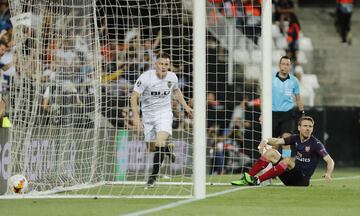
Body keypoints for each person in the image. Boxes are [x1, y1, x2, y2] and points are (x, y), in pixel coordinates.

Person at [131, 52, 192, 188]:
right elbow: (134, 97)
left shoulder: (172, 77)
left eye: (166, 64)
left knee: (159, 142)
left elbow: (176, 92)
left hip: (164, 114)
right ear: (155, 64)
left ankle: (153, 177)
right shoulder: (146, 77)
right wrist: (136, 116)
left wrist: (186, 106)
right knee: (152, 147)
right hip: (148, 115)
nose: (163, 67)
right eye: (161, 64)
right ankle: (167, 150)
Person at [231, 116, 335, 186]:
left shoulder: (316, 144)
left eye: (310, 126)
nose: (307, 129)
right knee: (271, 152)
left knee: (288, 160)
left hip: (302, 180)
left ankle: (258, 180)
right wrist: (265, 141)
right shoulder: (295, 138)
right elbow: (277, 141)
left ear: (312, 128)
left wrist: (328, 173)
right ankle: (247, 177)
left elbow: (330, 161)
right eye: (305, 126)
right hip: (289, 177)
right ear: (299, 128)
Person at [272, 56, 304, 158]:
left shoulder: (294, 81)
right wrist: (262, 114)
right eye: (283, 64)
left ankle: (285, 168)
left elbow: (298, 98)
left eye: (287, 64)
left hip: (287, 113)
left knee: (286, 140)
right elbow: (263, 96)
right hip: (273, 113)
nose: (285, 66)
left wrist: (302, 113)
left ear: (290, 66)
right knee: (274, 143)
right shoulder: (271, 78)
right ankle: (271, 168)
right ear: (279, 65)